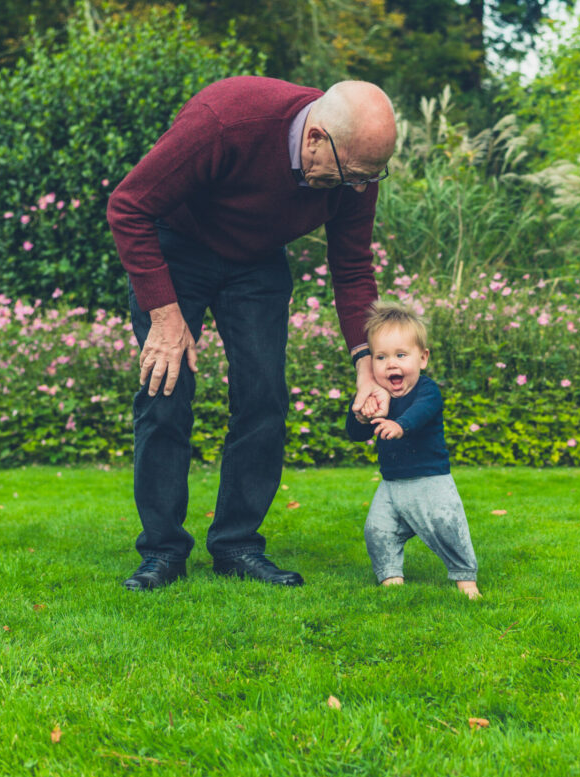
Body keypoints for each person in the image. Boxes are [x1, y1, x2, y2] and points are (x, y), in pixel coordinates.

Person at [107, 77, 396, 591]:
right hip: (178, 249)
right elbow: (128, 206)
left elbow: (352, 269)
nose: (359, 189)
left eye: (370, 178)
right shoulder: (228, 121)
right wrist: (165, 317)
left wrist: (366, 363)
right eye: (352, 176)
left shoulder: (356, 164)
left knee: (263, 397)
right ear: (315, 139)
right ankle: (162, 551)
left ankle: (237, 546)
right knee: (165, 390)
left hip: (257, 263)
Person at [345, 301, 481, 599]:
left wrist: (400, 425)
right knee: (378, 530)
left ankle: (466, 580)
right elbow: (355, 434)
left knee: (448, 528)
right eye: (381, 357)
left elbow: (421, 412)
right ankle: (390, 577)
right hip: (391, 485)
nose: (391, 364)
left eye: (401, 355)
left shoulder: (427, 390)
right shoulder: (377, 394)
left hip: (430, 481)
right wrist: (361, 416)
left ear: (423, 358)